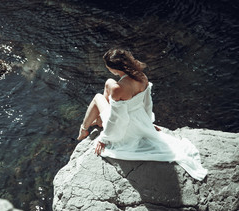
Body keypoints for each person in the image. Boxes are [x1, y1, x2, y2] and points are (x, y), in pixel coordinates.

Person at [77, 48, 207, 181]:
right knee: (108, 82)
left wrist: (104, 139)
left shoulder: (118, 88)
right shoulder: (142, 77)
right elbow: (147, 103)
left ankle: (84, 129)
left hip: (125, 126)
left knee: (98, 96)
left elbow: (117, 119)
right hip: (139, 120)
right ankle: (99, 120)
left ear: (114, 69)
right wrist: (148, 123)